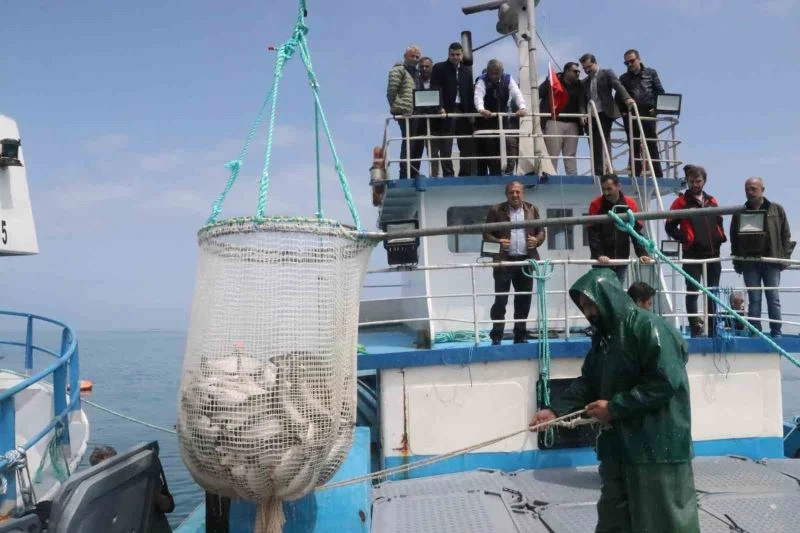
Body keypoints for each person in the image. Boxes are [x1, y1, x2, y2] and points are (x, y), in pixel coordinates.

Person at [530, 268, 699, 533]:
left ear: (608, 297)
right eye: (583, 307)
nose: (588, 313)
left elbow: (665, 381)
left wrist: (615, 407)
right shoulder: (604, 339)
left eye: (590, 304)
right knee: (614, 519)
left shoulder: (648, 327)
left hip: (657, 449)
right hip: (620, 448)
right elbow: (588, 382)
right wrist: (554, 410)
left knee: (664, 522)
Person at [665, 164, 727, 337]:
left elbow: (719, 221)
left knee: (713, 291)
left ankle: (713, 327)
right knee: (692, 291)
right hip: (692, 254)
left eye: (698, 181)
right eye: (691, 181)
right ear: (687, 181)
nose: (695, 184)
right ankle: (695, 328)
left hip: (713, 254)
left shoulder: (712, 201)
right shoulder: (680, 202)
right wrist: (686, 239)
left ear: (704, 181)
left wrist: (720, 237)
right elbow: (670, 226)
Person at [483, 181, 546, 345]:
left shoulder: (532, 209)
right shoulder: (496, 210)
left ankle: (520, 336)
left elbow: (542, 232)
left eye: (518, 192)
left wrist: (537, 240)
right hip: (504, 262)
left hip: (526, 261)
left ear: (523, 193)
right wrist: (498, 242)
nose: (515, 195)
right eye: (512, 192)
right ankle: (496, 337)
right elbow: (486, 234)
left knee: (523, 301)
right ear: (507, 194)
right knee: (501, 301)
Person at [730, 177, 792, 338]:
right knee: (754, 299)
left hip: (772, 261)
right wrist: (737, 262)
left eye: (753, 188)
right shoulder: (740, 212)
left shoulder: (777, 209)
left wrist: (785, 257)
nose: (749, 192)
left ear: (762, 189)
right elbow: (734, 239)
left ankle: (776, 332)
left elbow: (786, 234)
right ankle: (755, 332)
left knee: (773, 299)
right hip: (749, 262)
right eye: (747, 189)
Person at [89, 445, 175, 533]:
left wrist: (155, 495)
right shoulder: (94, 496)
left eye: (115, 463)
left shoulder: (141, 476)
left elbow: (169, 507)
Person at [587, 174, 653, 284]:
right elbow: (593, 233)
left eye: (609, 189)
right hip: (601, 261)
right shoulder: (596, 204)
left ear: (618, 186)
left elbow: (635, 232)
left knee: (617, 293)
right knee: (602, 293)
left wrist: (642, 253)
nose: (606, 193)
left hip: (621, 260)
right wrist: (599, 255)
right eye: (603, 189)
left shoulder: (630, 204)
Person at [579, 53, 634, 176]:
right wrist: (582, 114)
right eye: (584, 68)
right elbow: (582, 101)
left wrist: (627, 99)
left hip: (604, 112)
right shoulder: (585, 82)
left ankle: (604, 170)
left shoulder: (606, 73)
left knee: (602, 139)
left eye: (589, 67)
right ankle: (601, 169)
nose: (587, 70)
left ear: (595, 62)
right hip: (591, 115)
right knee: (593, 142)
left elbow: (617, 86)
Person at [473, 59, 527, 176]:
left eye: (497, 73)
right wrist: (481, 109)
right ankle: (486, 175)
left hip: (501, 119)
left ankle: (504, 173)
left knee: (507, 144)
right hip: (485, 119)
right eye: (491, 73)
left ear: (502, 71)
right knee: (487, 147)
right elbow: (478, 96)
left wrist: (522, 107)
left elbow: (516, 93)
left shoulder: (508, 79)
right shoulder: (482, 80)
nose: (494, 76)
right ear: (487, 71)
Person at [431, 42, 476, 176]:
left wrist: (472, 113)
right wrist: (440, 108)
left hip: (463, 110)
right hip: (446, 110)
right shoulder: (439, 68)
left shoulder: (466, 71)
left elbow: (469, 92)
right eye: (452, 54)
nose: (455, 57)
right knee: (446, 145)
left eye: (458, 54)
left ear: (462, 55)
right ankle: (448, 173)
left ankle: (464, 173)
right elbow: (435, 89)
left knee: (466, 143)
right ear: (448, 54)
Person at [619, 49, 665, 178]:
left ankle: (658, 174)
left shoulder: (651, 73)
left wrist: (656, 109)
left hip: (648, 113)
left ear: (639, 59)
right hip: (631, 115)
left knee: (651, 143)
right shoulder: (624, 78)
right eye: (626, 63)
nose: (629, 65)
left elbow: (660, 92)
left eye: (632, 61)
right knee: (633, 145)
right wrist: (623, 112)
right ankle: (635, 174)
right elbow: (619, 97)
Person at [538, 62, 586, 175]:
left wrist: (583, 114)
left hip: (572, 124)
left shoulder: (579, 85)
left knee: (570, 154)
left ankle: (573, 178)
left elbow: (582, 102)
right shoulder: (553, 81)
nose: (578, 74)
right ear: (567, 71)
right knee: (552, 154)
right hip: (554, 122)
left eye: (579, 72)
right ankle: (550, 176)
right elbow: (538, 93)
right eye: (575, 71)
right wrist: (547, 81)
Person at [386, 44, 423, 179]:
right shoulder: (399, 70)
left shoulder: (416, 72)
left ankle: (413, 172)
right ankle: (405, 173)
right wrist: (397, 108)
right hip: (406, 112)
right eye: (412, 56)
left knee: (417, 142)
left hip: (417, 112)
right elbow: (391, 92)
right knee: (408, 141)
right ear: (405, 56)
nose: (415, 59)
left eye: (417, 57)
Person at [416, 57, 442, 177]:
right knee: (416, 150)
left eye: (427, 66)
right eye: (422, 66)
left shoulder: (438, 82)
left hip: (435, 121)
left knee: (433, 151)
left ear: (432, 67)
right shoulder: (415, 81)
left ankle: (435, 175)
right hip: (419, 120)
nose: (424, 69)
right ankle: (413, 174)